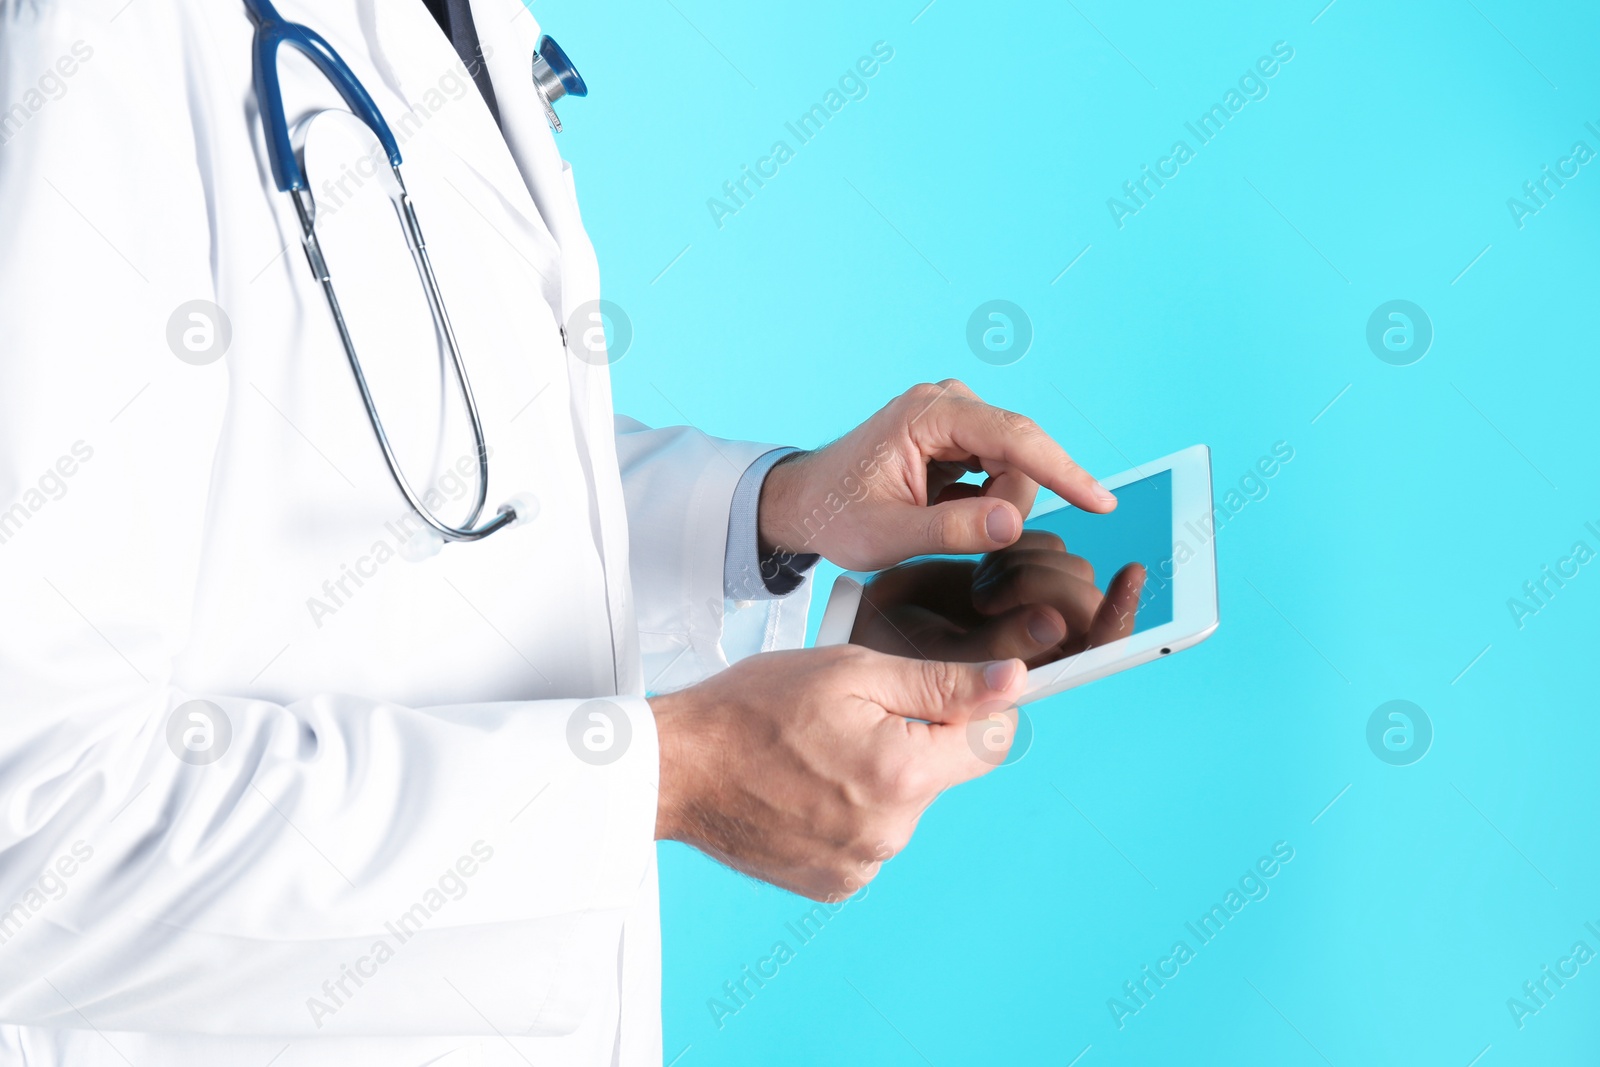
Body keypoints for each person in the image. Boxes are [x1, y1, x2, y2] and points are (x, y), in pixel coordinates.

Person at [0, 1, 1123, 1063]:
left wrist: (776, 538)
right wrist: (665, 775)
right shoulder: (81, 47)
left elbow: (431, 479)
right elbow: (36, 844)